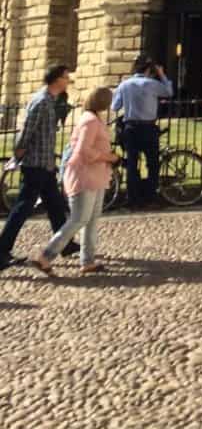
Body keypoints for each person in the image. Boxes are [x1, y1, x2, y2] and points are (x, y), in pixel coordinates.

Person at [30, 87, 119, 275]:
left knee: (92, 220)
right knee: (78, 219)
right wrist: (108, 157)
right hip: (84, 177)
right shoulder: (90, 121)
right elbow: (83, 151)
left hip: (96, 177)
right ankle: (45, 256)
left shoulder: (95, 120)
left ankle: (88, 261)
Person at [0, 65, 78, 269]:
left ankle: (65, 244)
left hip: (45, 163)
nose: (68, 80)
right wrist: (18, 152)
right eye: (65, 76)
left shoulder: (50, 101)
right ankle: (1, 250)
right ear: (56, 79)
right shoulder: (42, 102)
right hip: (35, 164)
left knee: (55, 205)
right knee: (23, 207)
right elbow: (26, 130)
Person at [112, 57, 173, 209]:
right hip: (148, 128)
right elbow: (169, 92)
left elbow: (115, 106)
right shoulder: (152, 84)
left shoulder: (124, 85)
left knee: (132, 164)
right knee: (153, 164)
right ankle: (150, 197)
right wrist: (162, 74)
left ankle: (133, 198)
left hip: (130, 128)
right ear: (148, 70)